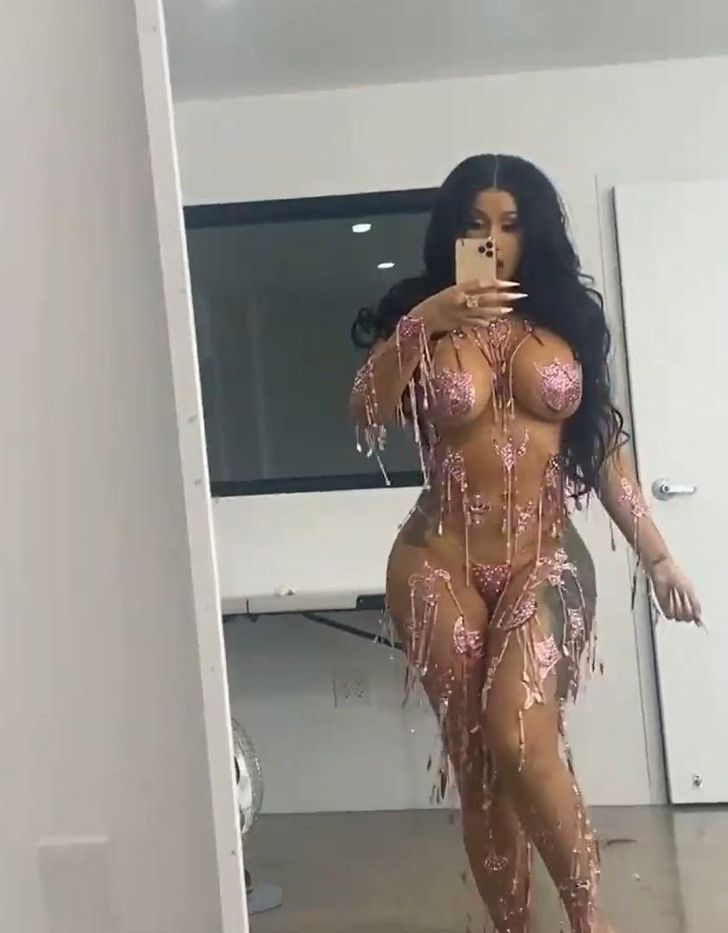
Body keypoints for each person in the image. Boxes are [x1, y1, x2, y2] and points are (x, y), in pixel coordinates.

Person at [349, 154, 701, 933]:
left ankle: (588, 919)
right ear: (452, 233)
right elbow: (366, 410)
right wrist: (431, 316)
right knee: (477, 761)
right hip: (436, 561)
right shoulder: (418, 317)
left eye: (509, 225)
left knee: (518, 730)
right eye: (475, 225)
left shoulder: (566, 321)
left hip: (545, 557)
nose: (494, 241)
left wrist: (657, 554)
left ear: (533, 231)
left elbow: (604, 452)